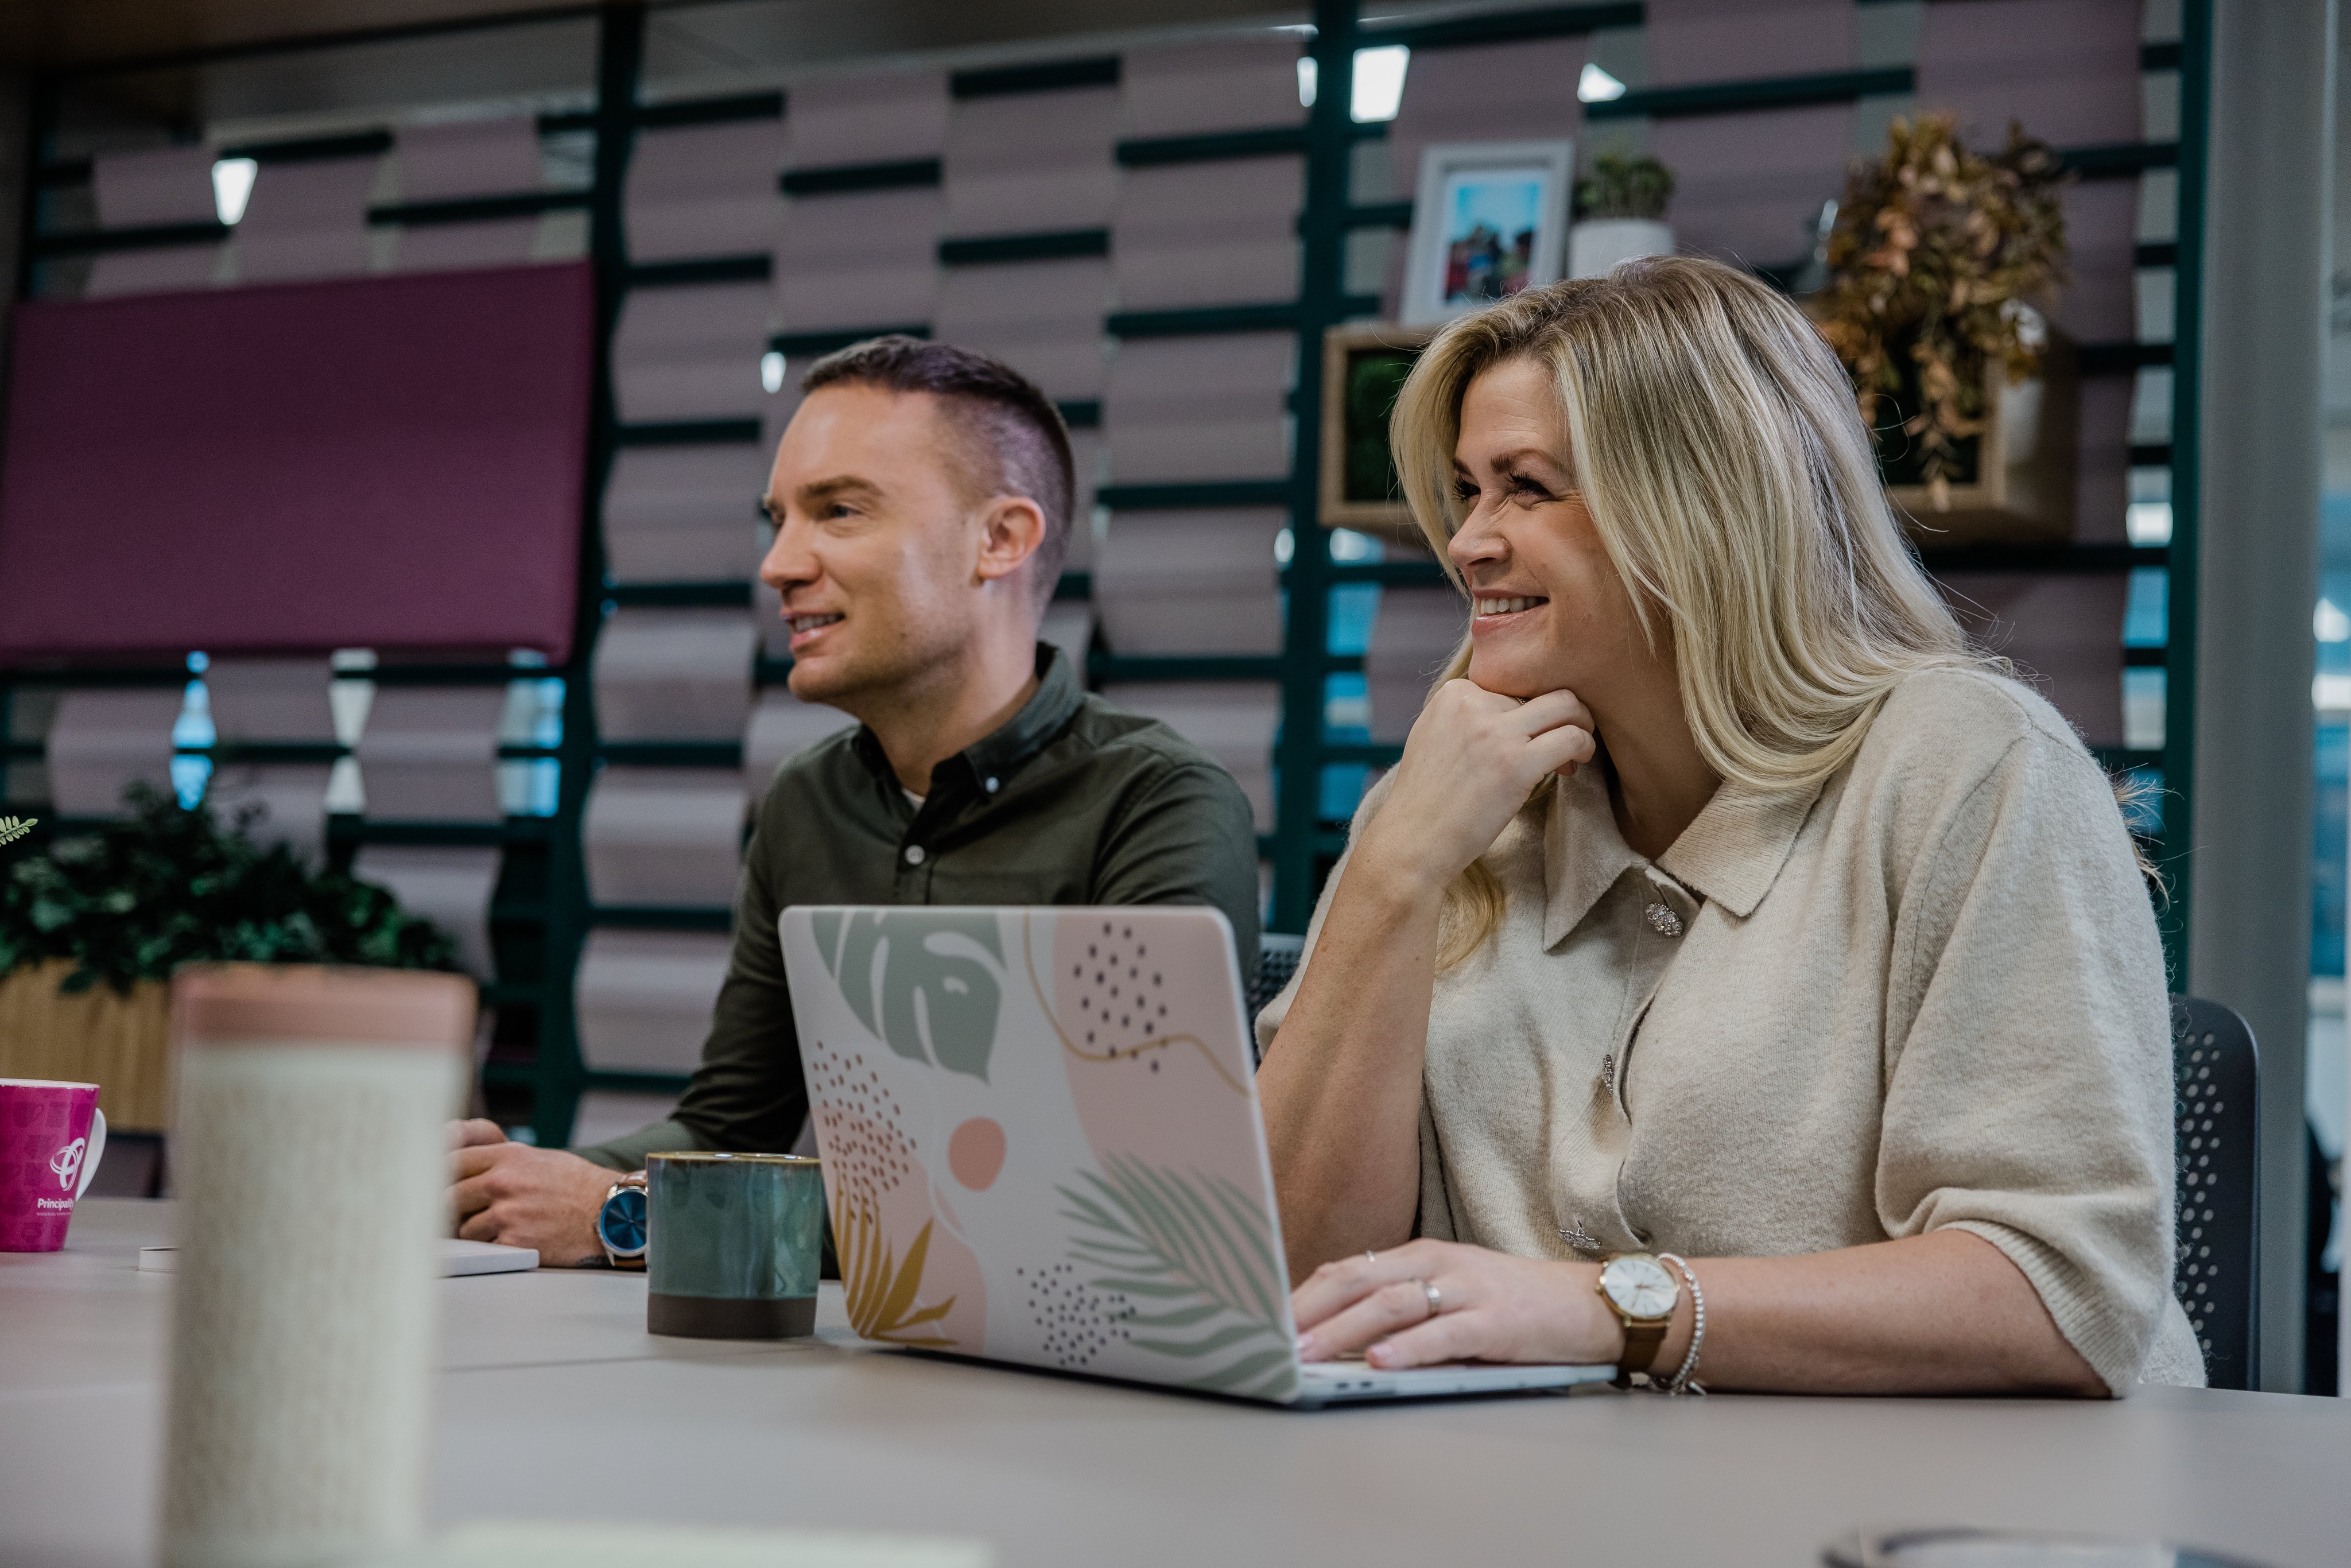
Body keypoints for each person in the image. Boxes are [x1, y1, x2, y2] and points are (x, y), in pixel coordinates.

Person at [1258, 257, 2201, 1397]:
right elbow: (1295, 1283)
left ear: (1698, 506)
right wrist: (1390, 873)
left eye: (1526, 487)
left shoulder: (1969, 764)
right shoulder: (1442, 806)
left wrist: (1610, 1309)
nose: (1466, 542)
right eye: (1467, 489)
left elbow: (2061, 1290)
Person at [452, 337, 1260, 1264]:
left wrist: (630, 1213)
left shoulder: (1157, 801)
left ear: (1000, 540)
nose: (780, 564)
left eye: (838, 512)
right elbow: (729, 1123)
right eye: (778, 519)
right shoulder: (808, 801)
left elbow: (1132, 1189)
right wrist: (511, 1185)